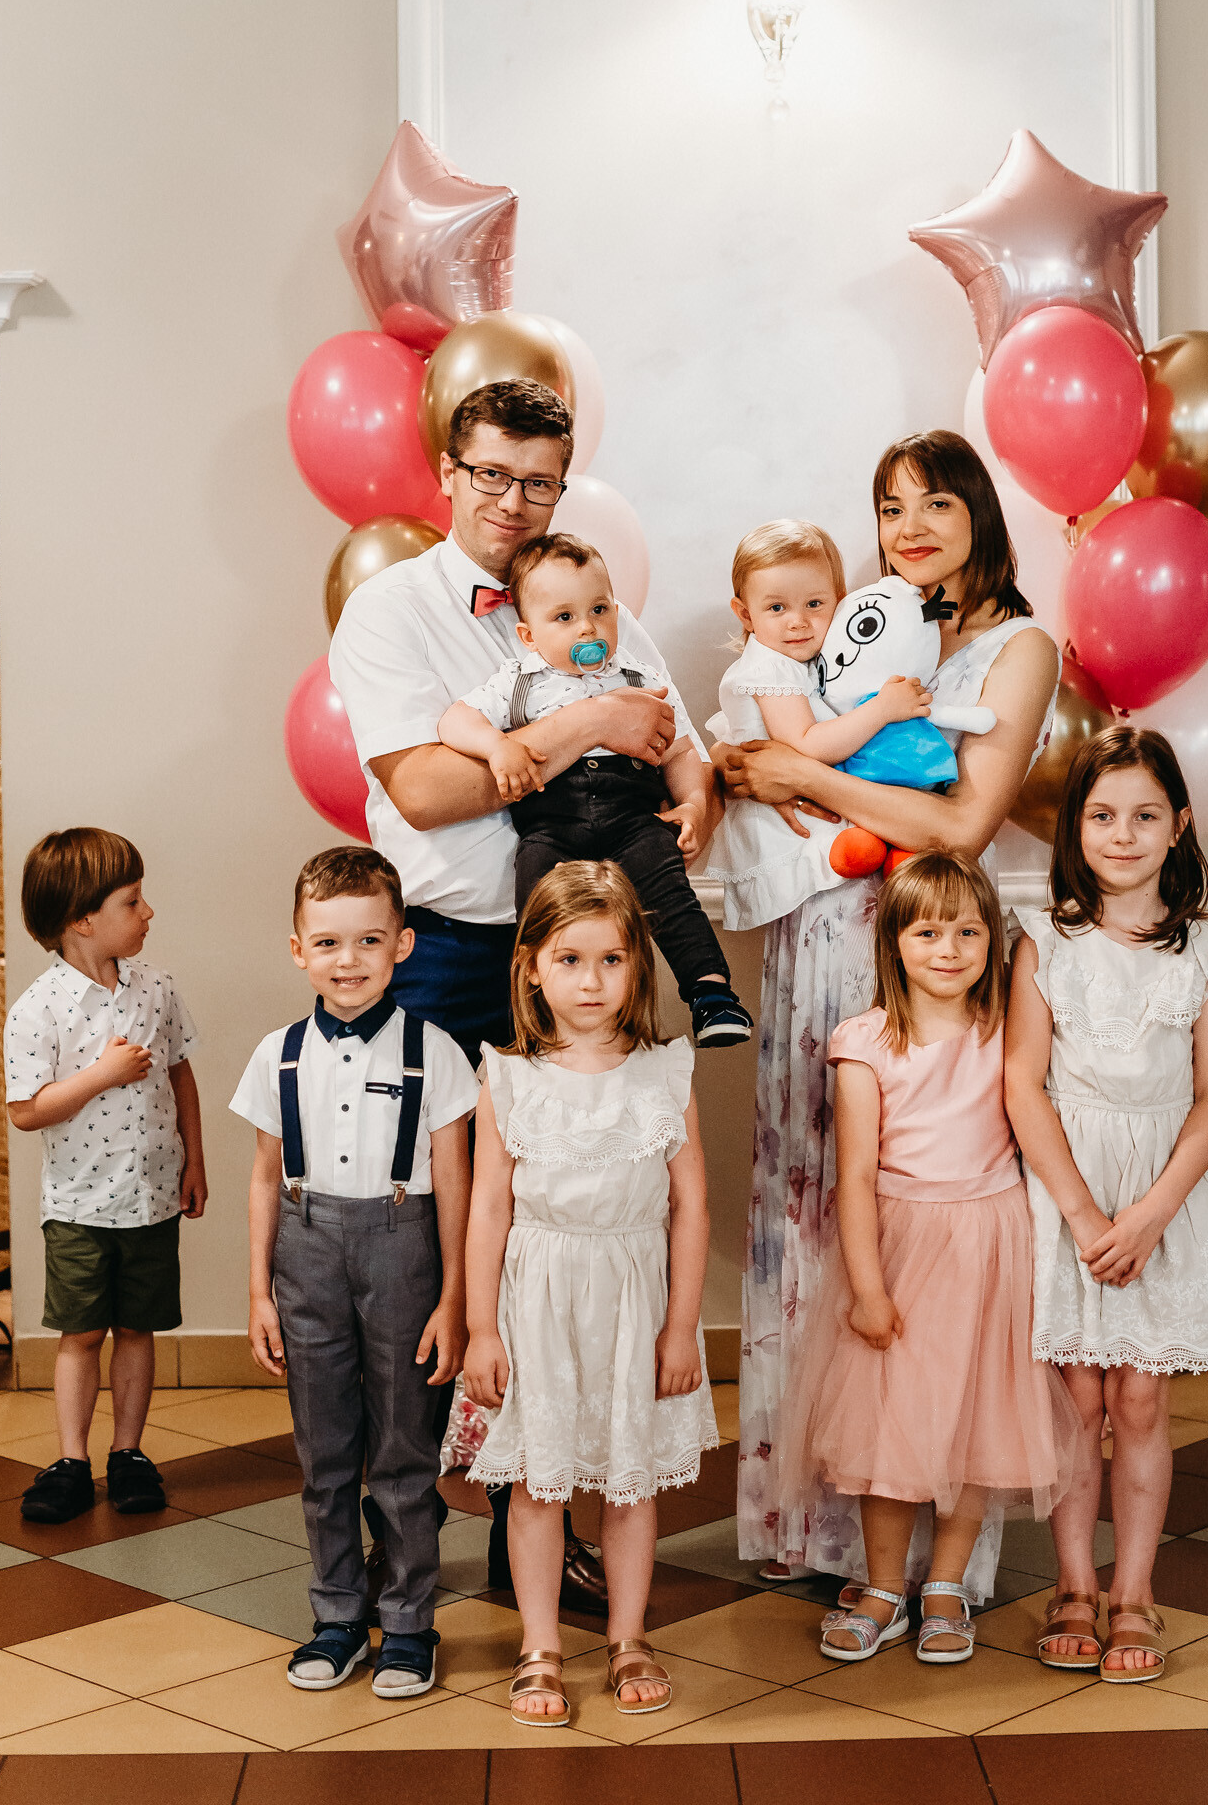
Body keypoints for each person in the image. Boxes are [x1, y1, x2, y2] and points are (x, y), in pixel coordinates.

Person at [330, 375, 703, 1611]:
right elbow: (426, 789)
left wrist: (691, 784)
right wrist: (588, 720)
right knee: (426, 1248)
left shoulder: (599, 599)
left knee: (565, 1239)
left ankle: (536, 1536)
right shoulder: (392, 610)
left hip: (580, 965)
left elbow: (673, 738)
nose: (512, 498)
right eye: (491, 472)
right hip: (446, 951)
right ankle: (398, 1544)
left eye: (538, 479)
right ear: (449, 471)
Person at [717, 436, 1061, 1583]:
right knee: (817, 1194)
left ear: (980, 514)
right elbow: (765, 732)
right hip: (819, 928)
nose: (909, 524)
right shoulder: (856, 621)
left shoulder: (1017, 645)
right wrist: (751, 767)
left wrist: (804, 776)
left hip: (930, 953)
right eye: (889, 505)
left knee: (929, 1211)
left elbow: (961, 822)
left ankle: (929, 1551)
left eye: (935, 502)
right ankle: (814, 1523)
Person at [779, 853, 1078, 1664]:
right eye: (926, 933)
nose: (947, 950)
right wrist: (867, 1289)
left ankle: (944, 1584)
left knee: (976, 1419)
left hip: (988, 1242)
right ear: (893, 942)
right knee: (888, 1429)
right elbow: (854, 1175)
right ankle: (884, 1588)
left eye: (967, 933)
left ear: (991, 942)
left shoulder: (1003, 1032)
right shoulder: (865, 1042)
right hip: (902, 1245)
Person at [1006, 727, 1208, 1684]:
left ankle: (1134, 1591)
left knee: (1140, 1399)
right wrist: (1080, 1214)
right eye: (1102, 816)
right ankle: (1073, 1584)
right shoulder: (1044, 944)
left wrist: (1150, 1213)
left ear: (1177, 824)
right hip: (1069, 1192)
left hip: (1160, 1196)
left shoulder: (1203, 951)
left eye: (1144, 816)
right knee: (1077, 1399)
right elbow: (1022, 1085)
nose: (1122, 835)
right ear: (1075, 827)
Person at [463, 861, 717, 1726]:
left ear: (636, 965)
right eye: (569, 960)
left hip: (634, 1297)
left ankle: (627, 1636)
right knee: (540, 1482)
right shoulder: (507, 1077)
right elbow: (488, 1209)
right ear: (532, 966)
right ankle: (538, 1646)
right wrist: (481, 1330)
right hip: (537, 1297)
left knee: (627, 1481)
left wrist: (680, 1328)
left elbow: (691, 1206)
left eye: (611, 959)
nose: (591, 981)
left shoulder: (665, 1071)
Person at [233, 846, 477, 1696]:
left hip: (403, 1247)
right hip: (305, 1252)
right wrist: (259, 1292)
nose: (349, 961)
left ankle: (408, 1623)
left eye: (369, 941)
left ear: (401, 945)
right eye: (328, 943)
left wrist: (454, 1299)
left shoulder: (436, 1054)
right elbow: (264, 1178)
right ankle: (337, 1616)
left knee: (405, 1449)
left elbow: (457, 1184)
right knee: (324, 1449)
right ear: (298, 949)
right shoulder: (277, 1055)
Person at [438, 530, 751, 1045]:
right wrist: (497, 747)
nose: (587, 626)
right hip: (552, 823)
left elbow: (678, 750)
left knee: (670, 891)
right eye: (564, 617)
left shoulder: (640, 677)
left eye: (600, 610)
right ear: (529, 635)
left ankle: (711, 994)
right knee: (536, 905)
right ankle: (536, 1016)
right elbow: (455, 720)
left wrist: (694, 804)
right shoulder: (518, 681)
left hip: (633, 817)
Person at [4, 829, 204, 1524]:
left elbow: (180, 1074)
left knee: (137, 1328)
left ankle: (128, 1453)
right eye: (132, 900)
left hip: (151, 1198)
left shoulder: (157, 988)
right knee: (82, 1334)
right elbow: (26, 1111)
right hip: (78, 1206)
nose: (148, 912)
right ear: (83, 918)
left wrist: (194, 1160)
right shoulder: (38, 1008)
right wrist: (101, 1074)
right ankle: (71, 1460)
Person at [706, 518, 929, 934]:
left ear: (839, 604)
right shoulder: (772, 668)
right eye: (777, 608)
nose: (798, 621)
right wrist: (882, 710)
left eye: (814, 604)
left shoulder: (794, 661)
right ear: (745, 614)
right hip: (792, 828)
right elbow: (808, 744)